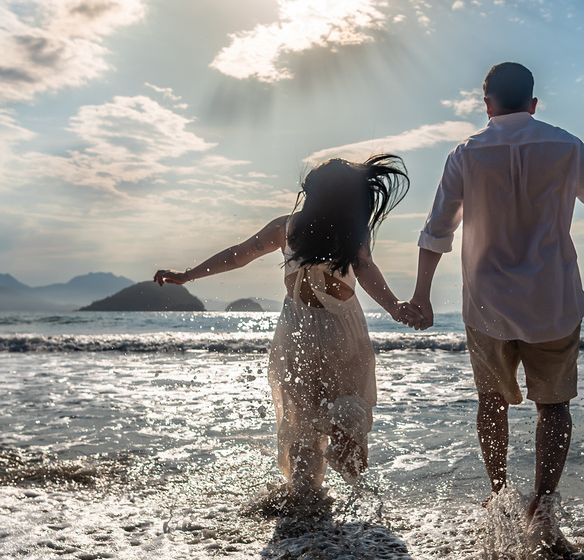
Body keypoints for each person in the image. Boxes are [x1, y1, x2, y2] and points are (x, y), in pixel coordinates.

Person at [409, 62, 584, 542]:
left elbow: (437, 231)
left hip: (487, 303)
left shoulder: (466, 153)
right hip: (552, 299)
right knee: (553, 406)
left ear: (486, 103)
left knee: (492, 401)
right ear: (533, 103)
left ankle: (500, 495)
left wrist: (421, 295)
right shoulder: (564, 145)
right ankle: (544, 505)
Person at [155, 154, 415, 499]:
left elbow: (238, 254)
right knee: (346, 404)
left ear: (310, 191)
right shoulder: (352, 233)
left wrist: (188, 275)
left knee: (300, 418)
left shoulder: (287, 226)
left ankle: (305, 499)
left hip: (297, 332)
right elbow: (366, 271)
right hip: (343, 330)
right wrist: (394, 306)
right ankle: (351, 476)